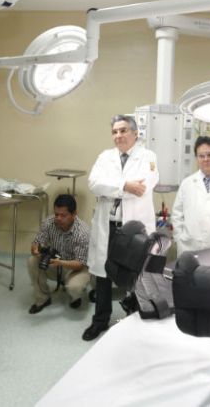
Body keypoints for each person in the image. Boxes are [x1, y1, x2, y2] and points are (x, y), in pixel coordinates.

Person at [82, 115, 159, 341]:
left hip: (133, 228)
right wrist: (125, 185)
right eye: (114, 132)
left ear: (135, 133)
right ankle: (100, 320)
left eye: (123, 130)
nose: (118, 135)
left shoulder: (148, 157)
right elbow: (94, 184)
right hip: (109, 225)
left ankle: (133, 321)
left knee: (134, 274)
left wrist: (111, 187)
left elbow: (143, 187)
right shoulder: (105, 157)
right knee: (103, 274)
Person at [26, 194, 90, 314]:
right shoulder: (48, 223)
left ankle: (75, 296)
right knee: (32, 261)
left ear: (74, 214)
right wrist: (35, 249)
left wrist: (61, 262)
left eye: (63, 215)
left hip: (76, 267)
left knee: (74, 287)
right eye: (56, 214)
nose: (58, 218)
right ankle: (42, 299)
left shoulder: (83, 232)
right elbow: (36, 242)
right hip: (55, 263)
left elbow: (80, 264)